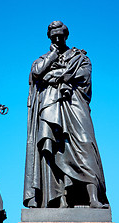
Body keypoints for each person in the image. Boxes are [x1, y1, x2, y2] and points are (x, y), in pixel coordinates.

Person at [23, 21, 109, 208]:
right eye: (53, 36)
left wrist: (56, 75)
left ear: (66, 35)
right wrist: (53, 56)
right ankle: (60, 198)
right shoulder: (42, 59)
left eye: (60, 35)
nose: (57, 38)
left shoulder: (79, 57)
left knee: (86, 145)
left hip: (74, 104)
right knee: (54, 150)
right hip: (50, 107)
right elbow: (37, 73)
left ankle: (93, 198)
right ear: (49, 37)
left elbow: (84, 75)